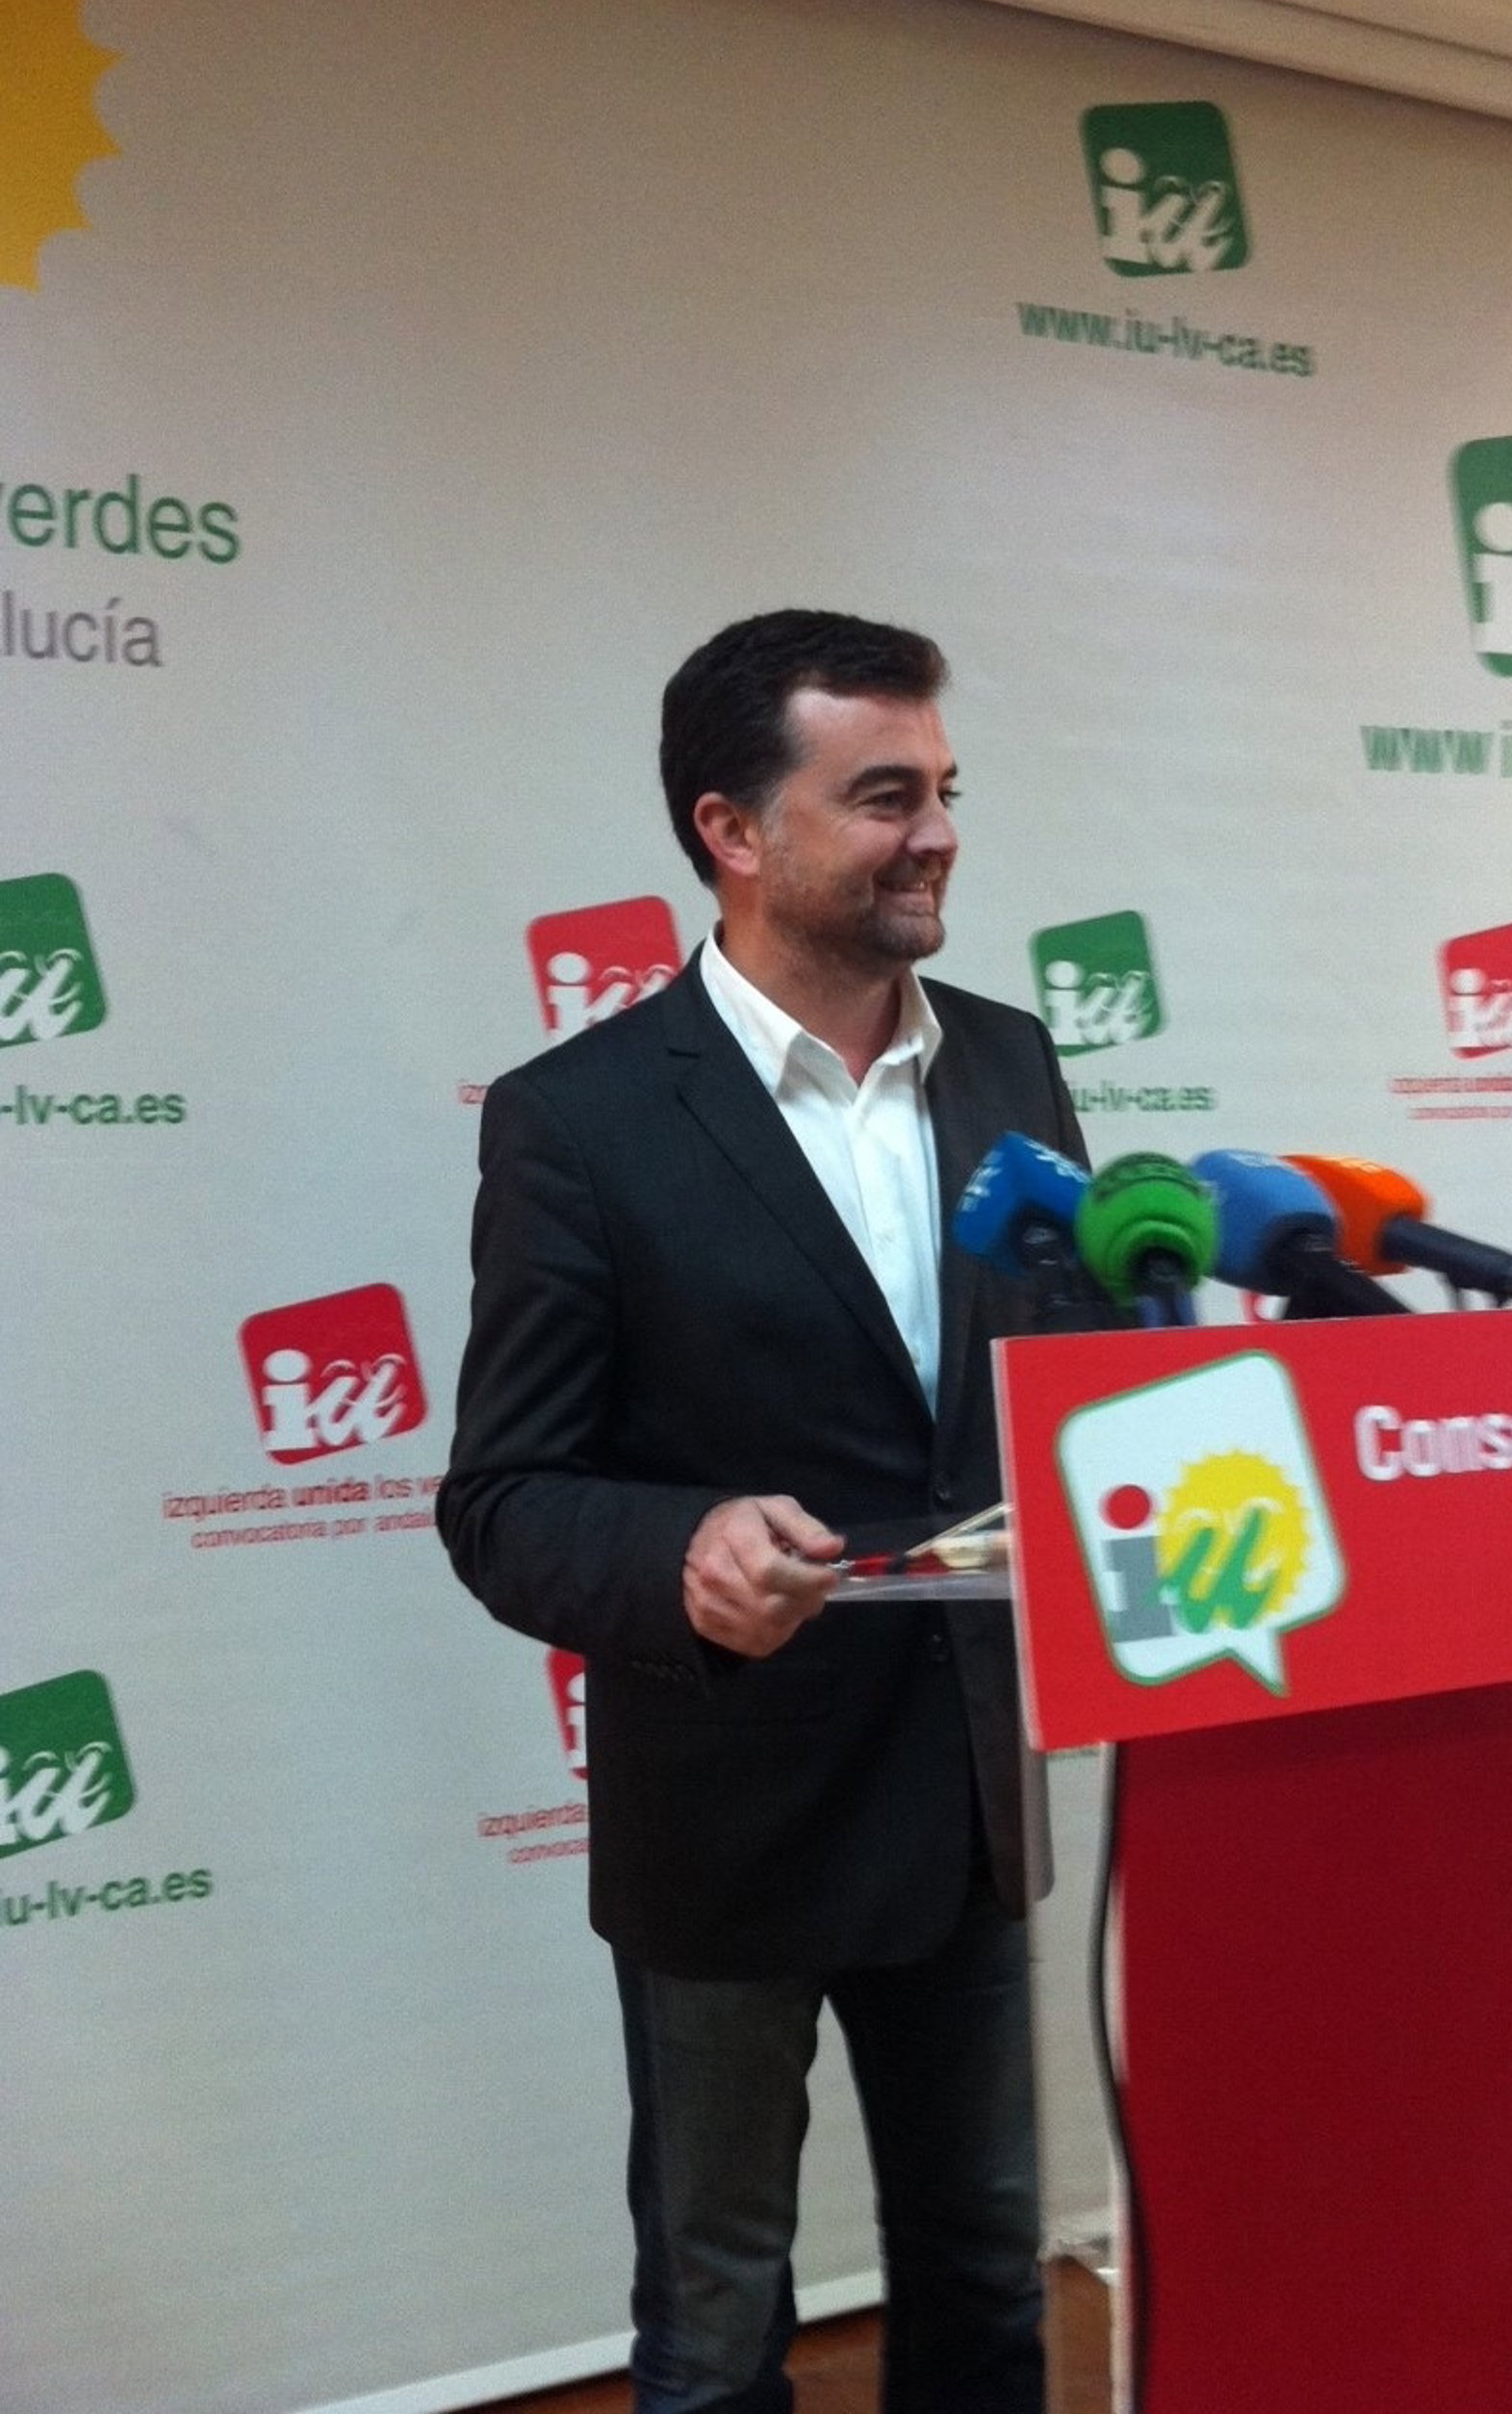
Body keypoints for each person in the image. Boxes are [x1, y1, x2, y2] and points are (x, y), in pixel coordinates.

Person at [437, 610, 1089, 2414]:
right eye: (883, 796)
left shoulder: (1014, 1066)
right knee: (719, 2323)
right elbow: (505, 1498)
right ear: (730, 829)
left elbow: (1062, 1384)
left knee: (989, 2277)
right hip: (730, 1819)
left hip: (972, 1800)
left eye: (944, 789)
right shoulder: (581, 1121)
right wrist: (682, 1550)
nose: (937, 834)